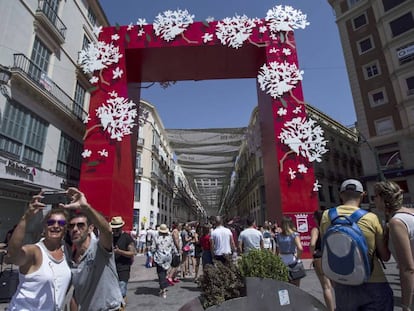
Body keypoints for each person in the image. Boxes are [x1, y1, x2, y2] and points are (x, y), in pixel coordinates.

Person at [320, 179, 393, 311]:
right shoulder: (371, 218)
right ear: (362, 195)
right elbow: (385, 256)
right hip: (373, 280)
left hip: (343, 282)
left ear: (341, 194)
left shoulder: (326, 216)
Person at [6, 193, 71, 311]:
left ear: (65, 229)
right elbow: (13, 255)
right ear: (44, 227)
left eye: (61, 223)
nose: (56, 226)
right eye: (51, 222)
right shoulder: (34, 251)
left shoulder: (65, 251)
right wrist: (26, 218)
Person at [62, 187, 124, 311]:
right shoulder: (70, 258)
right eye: (71, 226)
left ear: (90, 228)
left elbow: (107, 230)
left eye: (80, 225)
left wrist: (86, 207)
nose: (75, 229)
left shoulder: (99, 247)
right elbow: (76, 294)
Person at [373, 180, 414, 311]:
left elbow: (408, 268)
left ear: (382, 198)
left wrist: (406, 304)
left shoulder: (397, 223)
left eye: (375, 197)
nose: (373, 200)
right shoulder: (410, 213)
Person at [310, 210, 335, 311]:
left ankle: (331, 309)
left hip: (319, 256)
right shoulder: (330, 228)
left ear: (316, 219)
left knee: (326, 287)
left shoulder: (316, 229)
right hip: (331, 256)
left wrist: (313, 254)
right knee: (335, 285)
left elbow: (312, 244)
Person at [110, 216, 136, 301]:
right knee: (111, 295)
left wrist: (119, 251)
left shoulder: (126, 237)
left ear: (121, 227)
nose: (115, 230)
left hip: (123, 269)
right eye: (114, 228)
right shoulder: (109, 237)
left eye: (117, 228)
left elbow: (132, 253)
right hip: (111, 269)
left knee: (121, 293)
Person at [275, 216, 304, 287]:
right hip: (292, 258)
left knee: (284, 285)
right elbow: (300, 248)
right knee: (296, 285)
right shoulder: (294, 235)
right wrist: (297, 257)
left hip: (282, 259)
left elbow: (277, 250)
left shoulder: (278, 235)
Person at [151, 223, 177, 298]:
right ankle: (162, 287)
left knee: (160, 273)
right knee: (164, 272)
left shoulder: (156, 237)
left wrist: (153, 253)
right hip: (168, 257)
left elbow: (153, 248)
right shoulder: (169, 237)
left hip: (159, 257)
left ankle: (163, 288)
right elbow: (173, 247)